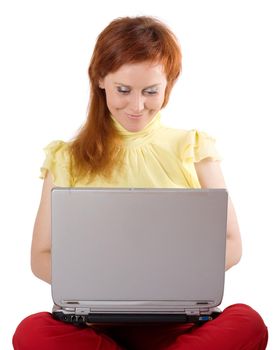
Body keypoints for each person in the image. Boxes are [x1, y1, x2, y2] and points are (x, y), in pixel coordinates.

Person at [13, 16, 268, 350]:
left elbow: (231, 243)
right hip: (95, 328)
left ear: (168, 85)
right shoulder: (67, 157)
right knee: (32, 331)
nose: (137, 106)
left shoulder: (194, 148)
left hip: (180, 327)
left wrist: (165, 280)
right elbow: (41, 257)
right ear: (100, 79)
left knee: (248, 322)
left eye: (151, 91)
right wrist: (110, 284)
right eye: (123, 90)